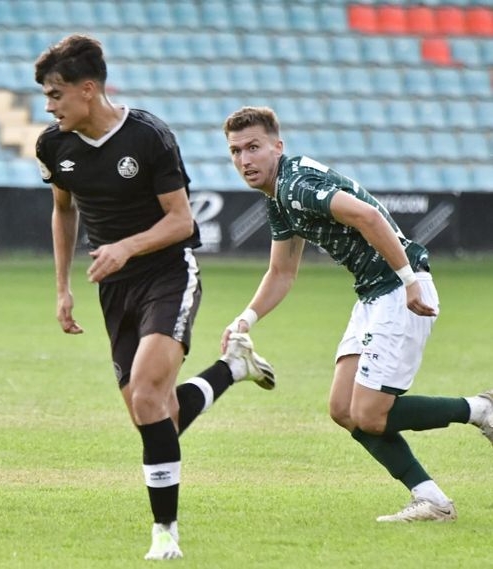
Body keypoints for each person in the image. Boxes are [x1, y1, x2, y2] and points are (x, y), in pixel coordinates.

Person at [34, 35, 276, 561]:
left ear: (88, 89)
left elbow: (181, 221)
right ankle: (231, 370)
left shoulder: (148, 136)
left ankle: (165, 531)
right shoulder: (53, 145)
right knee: (154, 414)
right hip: (114, 288)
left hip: (169, 273)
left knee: (146, 396)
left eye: (55, 94)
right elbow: (63, 210)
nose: (49, 107)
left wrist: (124, 247)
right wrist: (62, 288)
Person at [221, 105, 493, 522]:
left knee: (369, 412)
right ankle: (433, 500)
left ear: (278, 147)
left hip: (398, 290)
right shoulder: (278, 197)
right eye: (236, 151)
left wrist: (409, 280)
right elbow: (282, 271)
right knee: (344, 409)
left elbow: (367, 215)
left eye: (253, 147)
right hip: (372, 293)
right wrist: (245, 319)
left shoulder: (295, 184)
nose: (244, 160)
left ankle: (479, 409)